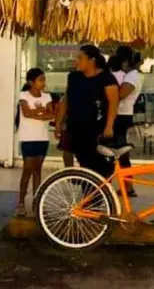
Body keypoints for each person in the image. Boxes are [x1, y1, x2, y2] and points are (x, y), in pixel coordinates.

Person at [55, 45, 119, 178]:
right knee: (85, 167)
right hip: (76, 129)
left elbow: (114, 103)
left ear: (92, 60)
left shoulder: (106, 78)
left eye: (80, 58)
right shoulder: (74, 77)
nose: (76, 61)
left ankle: (99, 196)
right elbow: (65, 100)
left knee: (100, 168)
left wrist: (109, 126)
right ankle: (90, 195)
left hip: (97, 130)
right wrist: (58, 122)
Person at [16, 68, 53, 216]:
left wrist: (37, 113)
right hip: (28, 138)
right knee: (27, 170)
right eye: (40, 80)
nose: (43, 83)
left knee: (37, 171)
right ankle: (20, 202)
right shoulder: (23, 95)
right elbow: (26, 112)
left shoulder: (47, 96)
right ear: (31, 82)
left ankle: (37, 202)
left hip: (42, 138)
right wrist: (41, 112)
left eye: (44, 80)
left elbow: (50, 114)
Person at [114, 47, 144, 197]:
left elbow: (119, 95)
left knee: (122, 152)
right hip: (121, 115)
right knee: (121, 153)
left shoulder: (132, 77)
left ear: (125, 62)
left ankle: (128, 185)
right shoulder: (129, 75)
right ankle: (127, 185)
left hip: (122, 116)